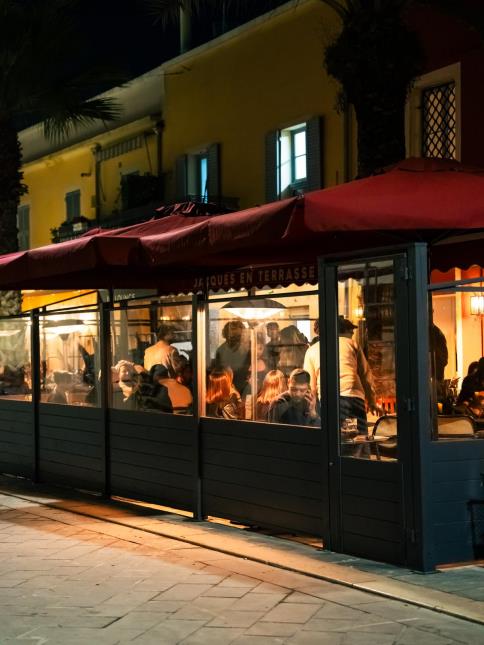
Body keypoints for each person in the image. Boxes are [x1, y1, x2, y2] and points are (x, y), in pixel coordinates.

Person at [338, 316, 378, 435]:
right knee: (356, 437)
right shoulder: (351, 344)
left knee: (343, 436)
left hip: (328, 399)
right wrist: (371, 401)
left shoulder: (317, 347)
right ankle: (356, 452)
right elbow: (365, 374)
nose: (352, 332)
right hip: (350, 397)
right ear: (342, 331)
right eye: (349, 329)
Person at [214, 320, 250, 395]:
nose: (237, 338)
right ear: (227, 334)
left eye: (239, 335)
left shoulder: (246, 348)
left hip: (245, 387)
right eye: (234, 335)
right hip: (228, 388)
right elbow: (219, 373)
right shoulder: (221, 350)